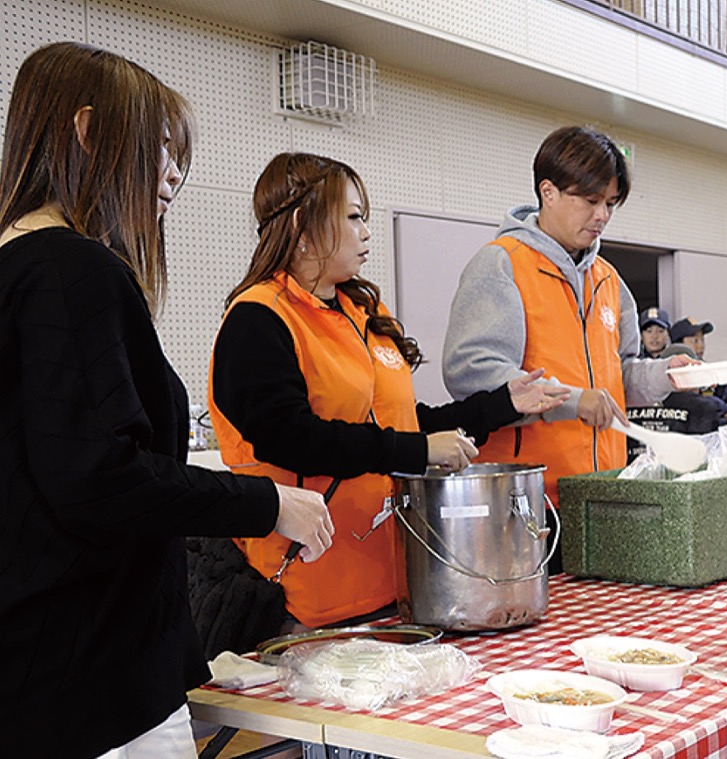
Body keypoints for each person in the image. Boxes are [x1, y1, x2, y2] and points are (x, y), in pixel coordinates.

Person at [0, 42, 334, 758]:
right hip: (93, 683)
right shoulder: (72, 270)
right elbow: (102, 478)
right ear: (88, 131)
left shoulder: (18, 269)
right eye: (158, 148)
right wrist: (268, 501)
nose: (174, 173)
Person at [207, 152, 568, 630]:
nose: (366, 232)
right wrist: (417, 451)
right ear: (302, 225)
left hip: (395, 583)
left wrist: (500, 405)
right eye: (354, 217)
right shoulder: (259, 318)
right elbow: (290, 438)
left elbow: (400, 422)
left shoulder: (363, 313)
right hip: (307, 596)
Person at [441, 126, 688, 570]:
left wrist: (664, 375)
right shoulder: (502, 263)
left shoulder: (608, 280)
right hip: (528, 506)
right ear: (548, 192)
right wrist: (574, 401)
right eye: (590, 201)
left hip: (604, 494)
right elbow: (472, 371)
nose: (602, 216)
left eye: (610, 203)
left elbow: (618, 377)